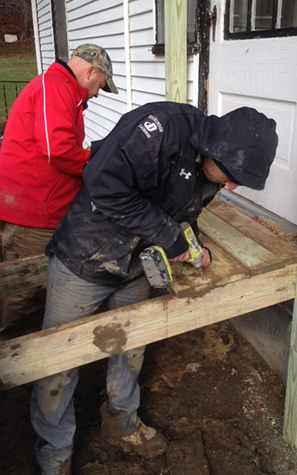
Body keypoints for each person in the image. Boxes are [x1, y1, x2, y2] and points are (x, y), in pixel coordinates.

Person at [30, 101, 278, 474]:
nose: (231, 184)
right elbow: (103, 184)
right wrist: (168, 235)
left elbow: (184, 209)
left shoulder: (215, 170)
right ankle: (55, 453)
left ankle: (122, 422)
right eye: (231, 174)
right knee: (59, 360)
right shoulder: (159, 130)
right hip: (86, 255)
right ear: (211, 148)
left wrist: (191, 243)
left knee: (131, 345)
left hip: (136, 263)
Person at [0, 43, 118, 331]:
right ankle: (17, 356)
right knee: (26, 289)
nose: (97, 93)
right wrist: (97, 164)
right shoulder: (55, 87)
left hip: (41, 203)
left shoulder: (62, 89)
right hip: (32, 209)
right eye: (100, 86)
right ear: (90, 72)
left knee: (34, 284)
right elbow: (58, 150)